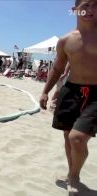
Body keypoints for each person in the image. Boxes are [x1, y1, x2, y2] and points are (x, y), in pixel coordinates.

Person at [39, 0, 97, 194]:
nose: (91, 10)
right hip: (71, 91)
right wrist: (45, 91)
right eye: (86, 5)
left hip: (96, 94)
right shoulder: (65, 40)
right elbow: (57, 68)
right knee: (68, 137)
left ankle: (73, 175)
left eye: (96, 5)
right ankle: (75, 173)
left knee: (77, 138)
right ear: (75, 11)